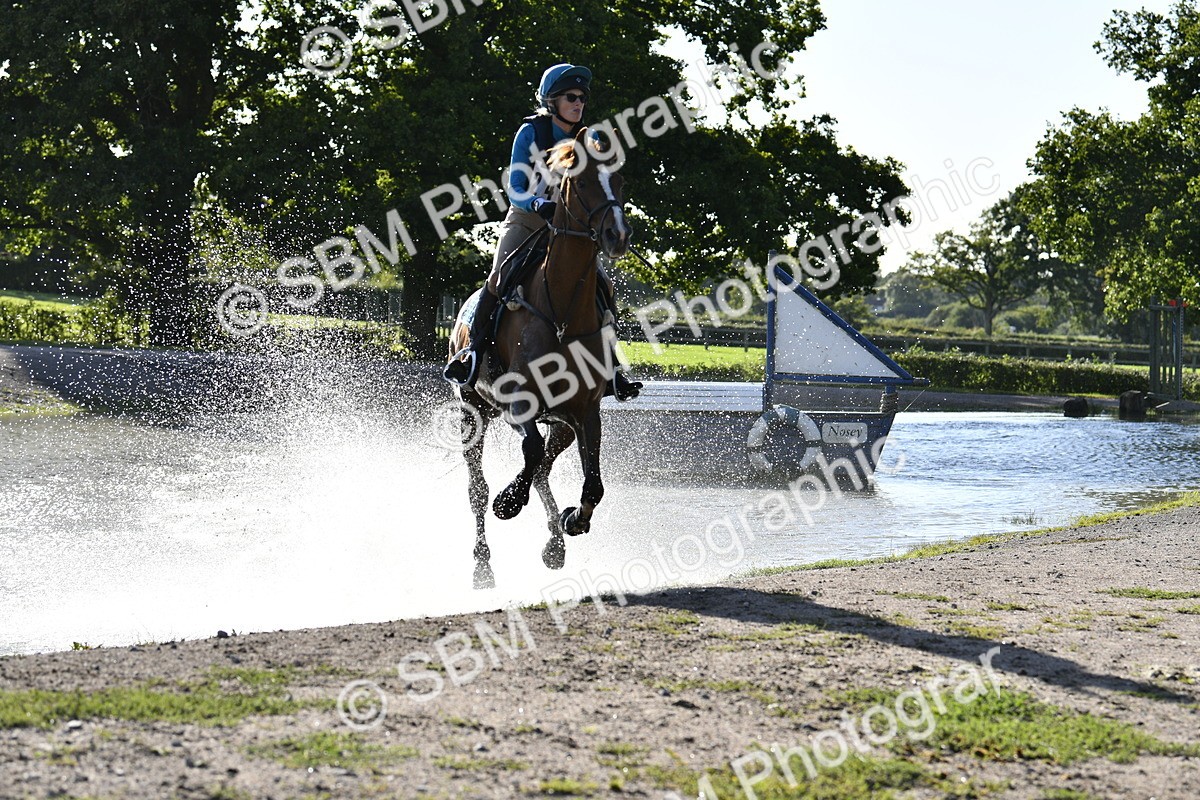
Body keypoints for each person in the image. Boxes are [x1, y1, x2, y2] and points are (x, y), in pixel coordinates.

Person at [444, 63, 641, 401]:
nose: (579, 103)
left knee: (604, 286)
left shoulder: (589, 140)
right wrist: (537, 205)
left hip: (567, 232)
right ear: (552, 101)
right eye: (571, 97)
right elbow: (514, 186)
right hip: (527, 220)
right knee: (498, 277)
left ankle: (610, 369)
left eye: (582, 98)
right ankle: (472, 355)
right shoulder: (531, 133)